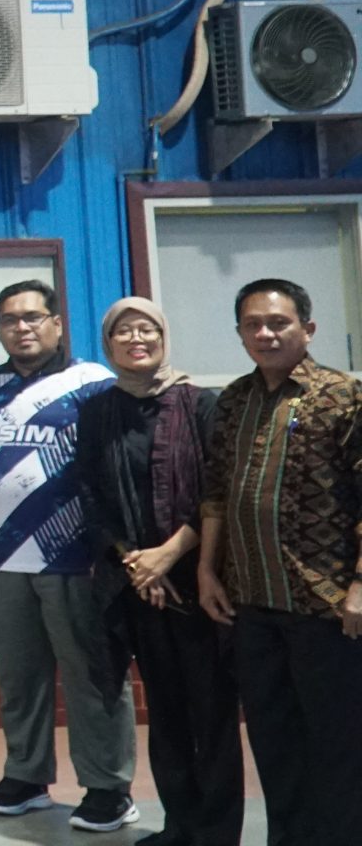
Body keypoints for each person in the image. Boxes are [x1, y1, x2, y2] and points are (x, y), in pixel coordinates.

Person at [0, 279, 135, 830]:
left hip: (77, 559)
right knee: (19, 676)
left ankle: (108, 786)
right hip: (3, 558)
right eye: (10, 320)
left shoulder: (94, 383)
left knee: (93, 675)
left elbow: (117, 469)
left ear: (57, 323)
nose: (22, 328)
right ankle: (26, 776)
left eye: (33, 317)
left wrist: (113, 549)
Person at [194, 278, 362, 846]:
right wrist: (207, 569)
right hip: (252, 604)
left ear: (307, 329)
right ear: (240, 333)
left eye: (278, 323)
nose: (265, 334)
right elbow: (216, 492)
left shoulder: (344, 397)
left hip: (326, 607)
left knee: (338, 743)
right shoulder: (233, 400)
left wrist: (360, 586)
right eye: (252, 325)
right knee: (273, 740)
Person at [75, 298, 240, 846]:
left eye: (147, 328)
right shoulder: (97, 411)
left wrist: (169, 554)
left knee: (211, 711)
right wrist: (136, 562)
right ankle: (179, 826)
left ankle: (216, 834)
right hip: (137, 584)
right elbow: (90, 494)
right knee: (165, 711)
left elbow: (219, 489)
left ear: (163, 336)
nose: (136, 339)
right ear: (108, 344)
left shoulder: (199, 404)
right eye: (124, 331)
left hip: (199, 579)